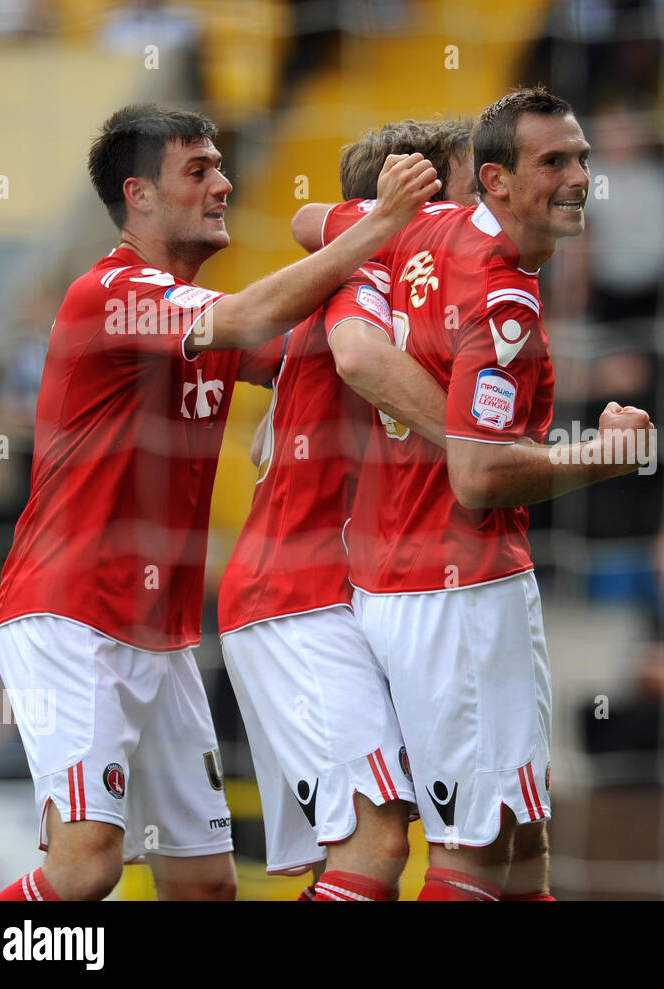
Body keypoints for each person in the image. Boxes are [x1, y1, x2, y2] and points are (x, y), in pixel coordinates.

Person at [0, 103, 438, 901]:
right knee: (86, 868)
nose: (225, 184)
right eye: (198, 171)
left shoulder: (191, 312)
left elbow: (313, 350)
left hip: (162, 636)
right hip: (69, 615)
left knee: (204, 888)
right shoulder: (113, 295)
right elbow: (252, 319)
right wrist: (376, 227)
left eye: (222, 165)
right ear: (141, 196)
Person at [302, 87, 655, 900]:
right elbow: (479, 473)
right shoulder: (504, 299)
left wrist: (383, 219)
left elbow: (303, 222)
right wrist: (604, 456)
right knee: (470, 864)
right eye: (553, 163)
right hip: (459, 590)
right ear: (493, 179)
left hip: (406, 579)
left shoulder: (421, 232)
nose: (577, 179)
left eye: (583, 159)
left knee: (524, 846)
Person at [219, 119, 475, 902]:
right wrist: (481, 450)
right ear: (412, 200)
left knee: (397, 842)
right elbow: (357, 355)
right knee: (376, 841)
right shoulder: (367, 282)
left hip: (348, 598)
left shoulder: (386, 290)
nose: (481, 214)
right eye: (469, 190)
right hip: (294, 598)